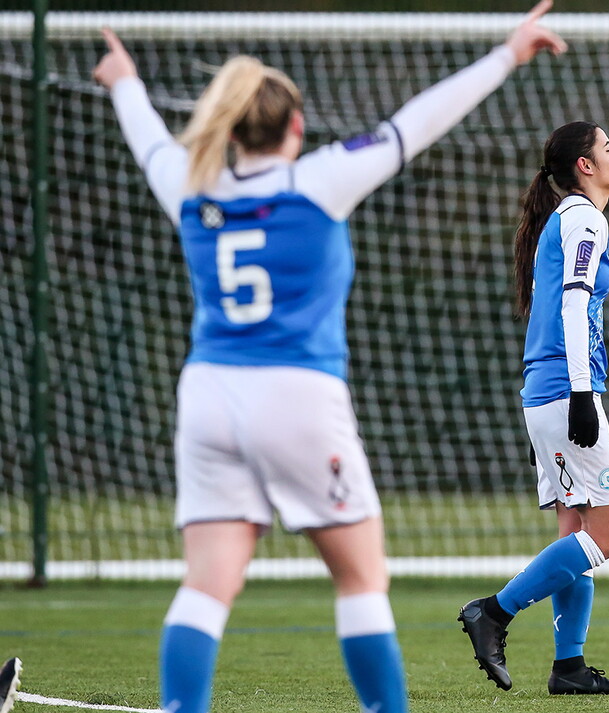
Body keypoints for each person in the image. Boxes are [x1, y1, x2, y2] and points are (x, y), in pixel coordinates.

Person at [92, 7, 565, 713]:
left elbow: (149, 141)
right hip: (296, 394)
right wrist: (506, 54)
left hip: (209, 395)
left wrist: (124, 80)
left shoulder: (192, 188)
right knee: (360, 577)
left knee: (207, 584)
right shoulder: (317, 181)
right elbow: (419, 120)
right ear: (294, 128)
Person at [458, 121, 609, 695]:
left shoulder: (566, 219)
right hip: (565, 390)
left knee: (576, 531)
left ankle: (569, 668)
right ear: (585, 166)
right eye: (607, 147)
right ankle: (494, 611)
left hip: (547, 389)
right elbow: (573, 303)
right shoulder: (585, 218)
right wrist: (585, 395)